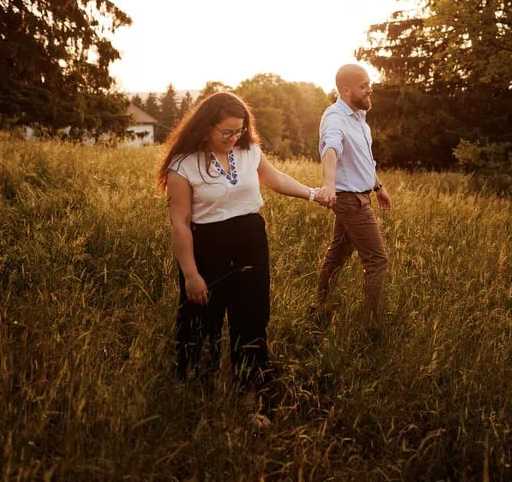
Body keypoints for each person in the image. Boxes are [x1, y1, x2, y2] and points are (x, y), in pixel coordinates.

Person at [157, 91, 329, 393]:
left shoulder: (249, 151)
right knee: (201, 322)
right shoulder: (183, 165)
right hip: (207, 247)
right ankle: (197, 390)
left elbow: (276, 179)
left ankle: (252, 390)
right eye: (226, 132)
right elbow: (180, 224)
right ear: (206, 127)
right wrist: (191, 274)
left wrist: (314, 194)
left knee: (252, 318)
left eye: (239, 130)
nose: (233, 137)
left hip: (251, 240)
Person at [313, 64, 392, 338]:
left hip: (362, 195)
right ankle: (372, 326)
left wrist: (378, 186)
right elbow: (330, 149)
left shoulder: (359, 117)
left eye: (369, 83)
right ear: (346, 90)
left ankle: (318, 306)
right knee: (378, 260)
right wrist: (329, 185)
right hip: (348, 200)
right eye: (363, 85)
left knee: (337, 255)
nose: (369, 89)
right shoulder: (335, 118)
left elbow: (363, 160)